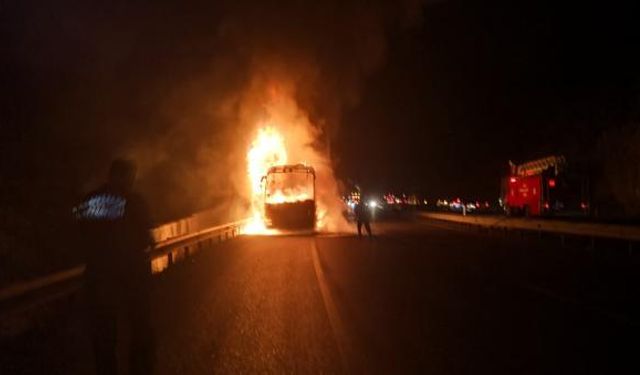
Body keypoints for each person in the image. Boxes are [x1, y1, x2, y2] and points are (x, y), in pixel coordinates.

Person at [73, 159, 155, 375]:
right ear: (125, 176)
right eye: (131, 176)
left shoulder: (90, 200)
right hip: (131, 276)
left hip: (99, 278)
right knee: (140, 330)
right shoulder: (134, 201)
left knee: (104, 337)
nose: (132, 181)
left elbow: (79, 231)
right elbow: (147, 238)